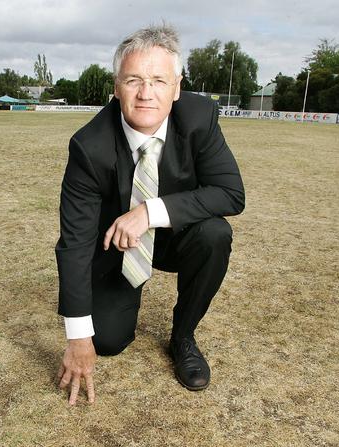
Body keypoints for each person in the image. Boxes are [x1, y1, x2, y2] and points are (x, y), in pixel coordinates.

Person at [55, 24, 245, 405]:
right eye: (134, 80)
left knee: (215, 234)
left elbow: (230, 194)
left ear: (176, 87)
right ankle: (120, 302)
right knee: (107, 341)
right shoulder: (88, 147)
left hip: (176, 237)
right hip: (118, 248)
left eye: (159, 80)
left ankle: (183, 336)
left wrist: (149, 212)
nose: (146, 93)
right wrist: (77, 336)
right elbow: (74, 242)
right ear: (116, 86)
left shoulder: (199, 118)